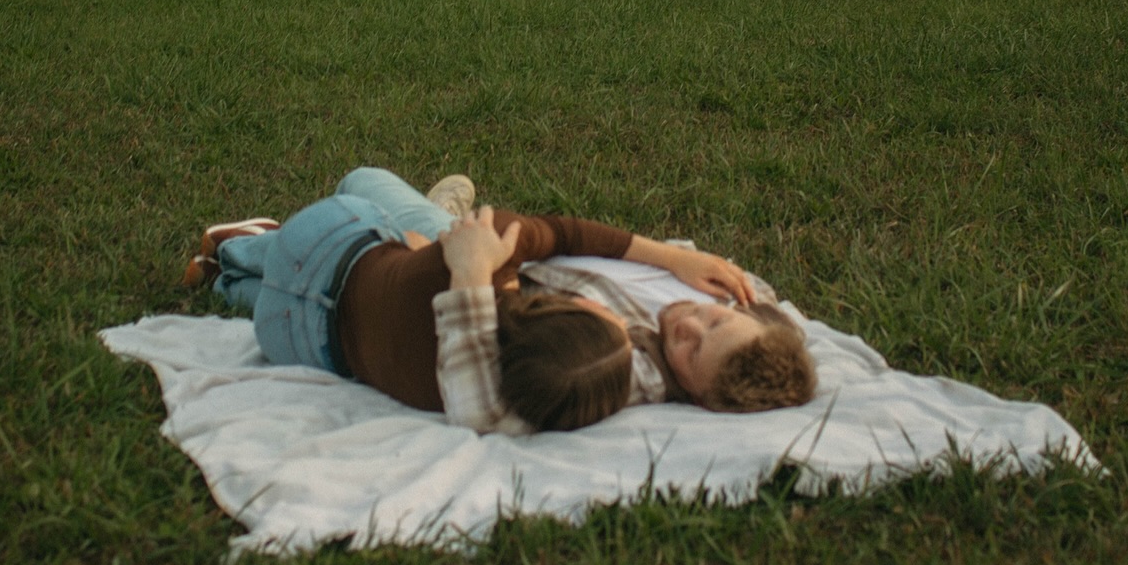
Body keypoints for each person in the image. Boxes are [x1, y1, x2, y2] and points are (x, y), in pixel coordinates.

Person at [189, 167, 815, 434]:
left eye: (695, 349)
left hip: (399, 251)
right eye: (717, 318)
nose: (690, 324)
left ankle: (254, 245)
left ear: (700, 399)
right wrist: (679, 260)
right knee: (278, 291)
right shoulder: (725, 323)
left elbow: (483, 400)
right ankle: (232, 271)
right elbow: (761, 322)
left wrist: (460, 268)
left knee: (362, 185)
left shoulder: (600, 370)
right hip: (301, 329)